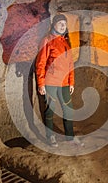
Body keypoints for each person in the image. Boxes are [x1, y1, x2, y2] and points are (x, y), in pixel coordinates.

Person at [35, 14, 83, 147]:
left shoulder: (65, 42)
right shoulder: (46, 40)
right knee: (50, 110)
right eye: (60, 23)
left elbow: (70, 64)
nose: (63, 26)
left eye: (64, 23)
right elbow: (41, 63)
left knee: (68, 110)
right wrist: (41, 83)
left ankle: (70, 137)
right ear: (53, 25)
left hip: (64, 83)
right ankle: (50, 137)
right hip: (50, 82)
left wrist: (71, 82)